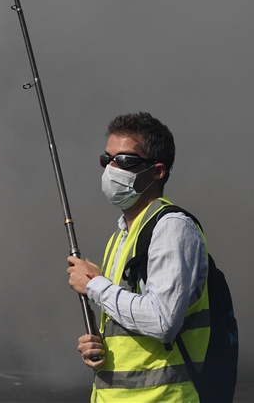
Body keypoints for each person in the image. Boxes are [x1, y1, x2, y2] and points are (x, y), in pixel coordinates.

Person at [67, 112, 210, 402]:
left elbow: (162, 321)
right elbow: (131, 327)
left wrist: (94, 285)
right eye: (107, 159)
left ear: (158, 171)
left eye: (124, 160)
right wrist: (100, 346)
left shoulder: (171, 227)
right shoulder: (122, 235)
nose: (111, 168)